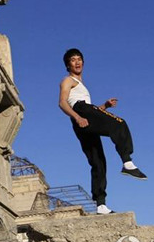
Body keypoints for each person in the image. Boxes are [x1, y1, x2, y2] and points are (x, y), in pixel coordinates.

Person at [58, 48, 147, 215]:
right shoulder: (67, 81)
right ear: (67, 65)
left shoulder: (81, 86)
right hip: (81, 112)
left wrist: (104, 107)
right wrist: (78, 117)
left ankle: (101, 205)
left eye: (79, 59)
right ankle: (127, 162)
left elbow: (93, 115)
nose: (77, 62)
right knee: (120, 124)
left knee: (98, 161)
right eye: (73, 60)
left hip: (84, 117)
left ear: (83, 62)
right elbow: (63, 103)